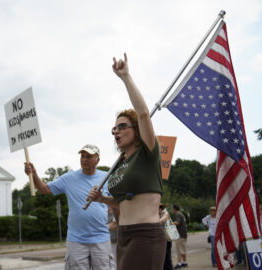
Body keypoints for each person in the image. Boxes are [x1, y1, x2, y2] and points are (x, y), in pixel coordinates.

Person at [86, 53, 166, 270]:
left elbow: (143, 115)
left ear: (136, 130)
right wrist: (103, 199)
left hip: (146, 234)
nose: (116, 132)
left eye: (122, 126)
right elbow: (122, 202)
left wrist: (125, 77)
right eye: (114, 129)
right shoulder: (120, 163)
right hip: (124, 235)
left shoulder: (147, 153)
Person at [24, 144, 114, 270]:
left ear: (97, 160)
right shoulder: (69, 178)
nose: (85, 159)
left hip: (101, 239)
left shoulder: (107, 177)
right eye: (82, 156)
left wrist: (115, 221)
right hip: (76, 241)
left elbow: (119, 201)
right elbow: (44, 189)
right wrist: (33, 174)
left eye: (89, 156)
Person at [172, 205, 187, 269]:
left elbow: (177, 222)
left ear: (174, 209)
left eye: (172, 209)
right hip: (184, 234)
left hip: (180, 235)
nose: (172, 210)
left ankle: (179, 264)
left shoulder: (178, 214)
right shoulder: (182, 214)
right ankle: (184, 262)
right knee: (183, 249)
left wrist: (170, 223)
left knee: (179, 250)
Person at [160, 203, 173, 270]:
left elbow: (162, 222)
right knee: (164, 258)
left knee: (166, 258)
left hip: (166, 239)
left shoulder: (165, 213)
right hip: (163, 239)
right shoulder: (159, 214)